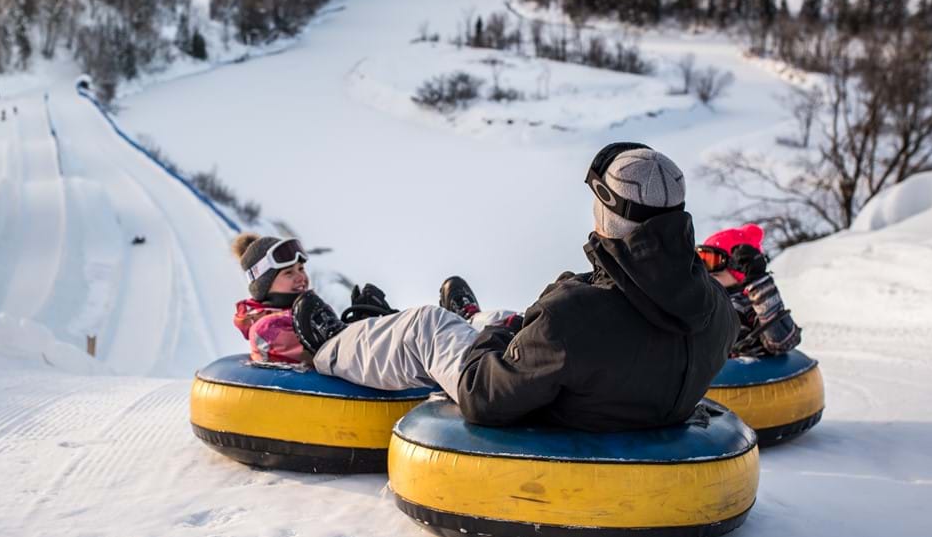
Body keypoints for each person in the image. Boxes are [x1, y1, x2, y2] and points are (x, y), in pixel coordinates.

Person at [291, 142, 738, 432]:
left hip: (547, 411)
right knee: (509, 321)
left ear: (606, 212)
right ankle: (477, 321)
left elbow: (483, 397)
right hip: (613, 395)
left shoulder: (572, 315)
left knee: (425, 326)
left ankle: (331, 346)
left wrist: (506, 334)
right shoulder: (717, 309)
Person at [230, 235, 517, 365]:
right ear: (264, 285)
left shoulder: (299, 314)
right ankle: (467, 332)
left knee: (434, 322)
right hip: (349, 372)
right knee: (422, 326)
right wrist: (358, 327)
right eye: (288, 273)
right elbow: (326, 352)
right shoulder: (266, 329)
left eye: (301, 269)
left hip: (357, 357)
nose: (300, 277)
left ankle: (477, 326)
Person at [696, 224, 802, 358]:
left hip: (742, 373)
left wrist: (759, 284)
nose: (707, 270)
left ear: (737, 265)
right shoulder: (705, 300)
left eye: (712, 260)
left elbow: (783, 342)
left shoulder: (752, 305)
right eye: (702, 260)